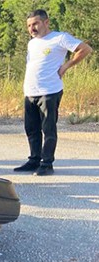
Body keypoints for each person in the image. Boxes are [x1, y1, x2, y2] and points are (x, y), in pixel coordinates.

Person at [13, 9, 92, 176]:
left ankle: (47, 163)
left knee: (48, 129)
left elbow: (84, 49)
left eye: (35, 24)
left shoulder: (59, 38)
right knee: (31, 128)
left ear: (46, 22)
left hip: (49, 91)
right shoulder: (32, 43)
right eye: (29, 25)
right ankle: (34, 160)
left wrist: (66, 66)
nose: (32, 28)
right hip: (30, 91)